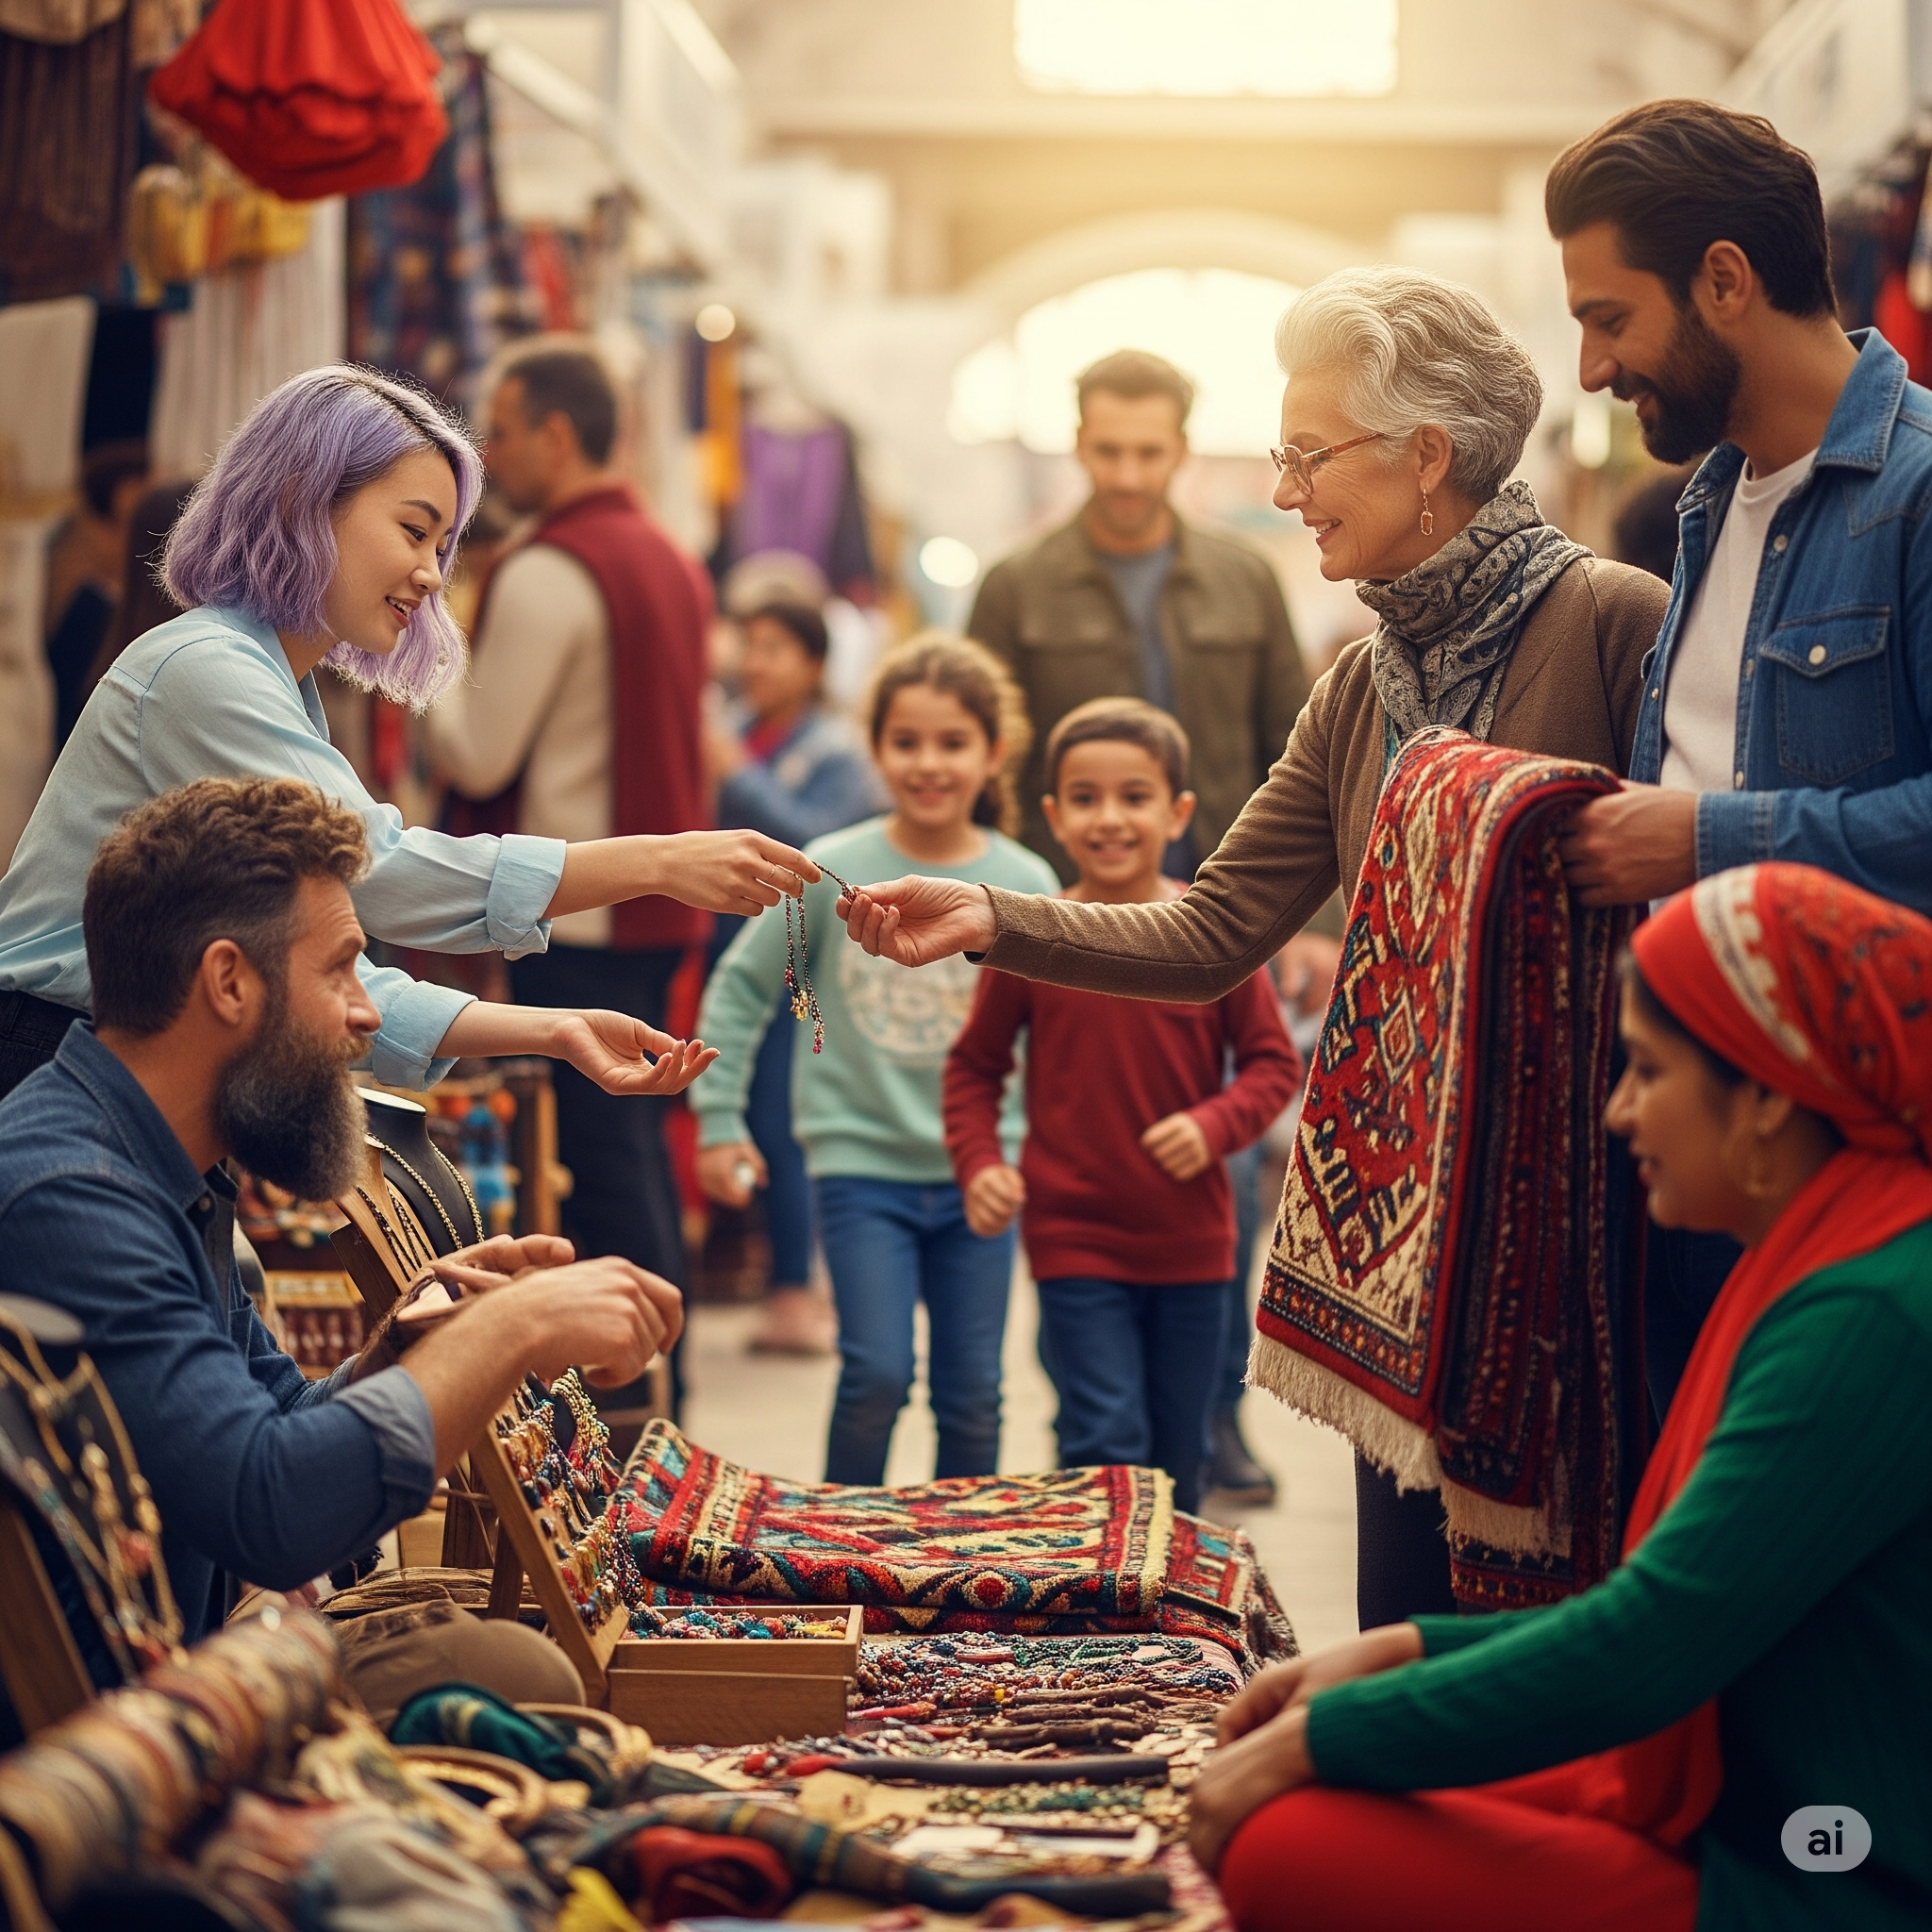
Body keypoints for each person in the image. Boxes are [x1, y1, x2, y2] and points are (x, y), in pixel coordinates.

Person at [836, 267, 1671, 1629]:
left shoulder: (1614, 623)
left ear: (1424, 456)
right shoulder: (1361, 683)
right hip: (1402, 1254)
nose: (1284, 492)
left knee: (1568, 1611)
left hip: (1584, 1227)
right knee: (1407, 1604)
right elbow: (1216, 927)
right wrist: (999, 917)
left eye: (1306, 454)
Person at [1181, 861, 1932, 1932]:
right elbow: (1683, 1616)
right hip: (1782, 1811)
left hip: (1838, 1868)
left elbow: (1652, 1645)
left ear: (1766, 1095)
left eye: (1644, 1068)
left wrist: (1320, 1735)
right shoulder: (1845, 1249)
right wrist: (1402, 1651)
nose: (1617, 1109)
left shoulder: (1870, 1311)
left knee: (1291, 1839)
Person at [0, 364, 817, 1109]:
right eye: (414, 529)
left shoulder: (261, 677)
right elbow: (377, 870)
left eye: (442, 543)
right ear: (304, 501)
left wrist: (552, 1029)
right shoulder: (204, 669)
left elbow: (328, 981)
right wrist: (660, 863)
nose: (432, 572)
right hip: (55, 1067)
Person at [0, 776, 683, 1657]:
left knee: (500, 1660)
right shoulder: (70, 1194)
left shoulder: (158, 1164)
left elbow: (278, 1419)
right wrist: (509, 1330)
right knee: (504, 1666)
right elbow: (271, 1510)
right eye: (340, 968)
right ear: (228, 982)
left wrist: (411, 1346)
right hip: (93, 1758)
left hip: (181, 1686)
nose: (365, 1012)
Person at [1546, 99, 1932, 1415]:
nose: (1592, 368)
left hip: (1851, 1167)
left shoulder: (1922, 495)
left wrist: (1706, 836)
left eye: (1609, 318)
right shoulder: (1708, 500)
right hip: (1700, 1146)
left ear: (1724, 278)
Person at [967, 346, 1316, 1502]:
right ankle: (1107, 1439)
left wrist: (1304, 918)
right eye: (1106, 451)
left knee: (1223, 1175)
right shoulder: (1017, 585)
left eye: (1147, 452)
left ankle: (1211, 1416)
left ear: (1178, 447)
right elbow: (991, 768)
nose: (1126, 475)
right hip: (1067, 920)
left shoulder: (1242, 577)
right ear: (1078, 444)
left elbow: (1292, 749)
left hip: (1220, 907)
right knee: (1093, 1132)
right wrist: (1001, 910)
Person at [424, 341, 728, 1369]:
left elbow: (480, 745)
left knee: (596, 1159)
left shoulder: (553, 565)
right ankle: (656, 1381)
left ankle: (634, 1384)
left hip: (573, 897)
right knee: (629, 1145)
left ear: (555, 435)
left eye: (500, 432)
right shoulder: (667, 554)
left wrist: (407, 660)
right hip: (644, 897)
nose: (491, 455)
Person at [694, 636, 1057, 1484]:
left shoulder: (1027, 880)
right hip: (858, 1168)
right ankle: (842, 1550)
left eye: (953, 742)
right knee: (876, 1375)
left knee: (973, 1393)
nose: (929, 763)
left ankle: (961, 1562)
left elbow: (1059, 1032)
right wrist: (717, 1123)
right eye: (906, 741)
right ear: (876, 747)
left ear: (993, 752)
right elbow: (743, 990)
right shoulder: (834, 870)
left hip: (982, 1175)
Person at [942, 698, 1300, 1513]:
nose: (1109, 818)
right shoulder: (1031, 941)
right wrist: (981, 1163)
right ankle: (1101, 1619)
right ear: (1053, 816)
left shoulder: (1217, 939)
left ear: (1178, 811)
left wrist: (1214, 1126)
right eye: (1085, 798)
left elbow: (1274, 1066)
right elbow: (974, 1068)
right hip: (1074, 1238)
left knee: (1181, 1451)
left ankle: (1172, 1628)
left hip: (1194, 1245)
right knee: (1104, 1436)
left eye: (1134, 797)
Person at [702, 597, 882, 1355]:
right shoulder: (741, 731)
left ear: (814, 665)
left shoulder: (834, 749)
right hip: (730, 951)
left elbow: (822, 847)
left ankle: (798, 1292)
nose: (754, 662)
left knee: (785, 1114)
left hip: (801, 958)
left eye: (774, 648)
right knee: (739, 1103)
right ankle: (774, 1277)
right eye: (749, 645)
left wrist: (736, 774)